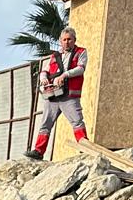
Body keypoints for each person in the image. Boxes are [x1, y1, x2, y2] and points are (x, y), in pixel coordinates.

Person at [27, 26, 89, 160]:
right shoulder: (54, 56)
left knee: (77, 122)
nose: (67, 42)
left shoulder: (81, 52)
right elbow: (45, 71)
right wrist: (43, 78)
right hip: (53, 95)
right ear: (60, 41)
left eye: (69, 39)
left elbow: (81, 68)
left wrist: (65, 75)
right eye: (64, 40)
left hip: (69, 96)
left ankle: (85, 148)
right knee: (45, 124)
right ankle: (38, 151)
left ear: (74, 40)